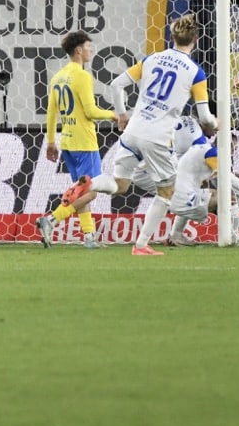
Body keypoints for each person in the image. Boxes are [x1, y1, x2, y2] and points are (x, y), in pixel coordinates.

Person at [63, 14, 217, 255]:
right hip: (158, 137)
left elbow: (116, 84)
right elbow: (205, 117)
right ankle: (142, 245)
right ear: (196, 39)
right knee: (167, 192)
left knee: (120, 184)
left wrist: (122, 115)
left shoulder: (151, 59)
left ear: (171, 37)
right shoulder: (196, 72)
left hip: (133, 129)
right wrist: (215, 123)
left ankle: (90, 183)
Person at [36, 31, 117, 250]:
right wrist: (114, 115)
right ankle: (51, 220)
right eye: (88, 47)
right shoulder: (82, 76)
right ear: (79, 50)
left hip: (68, 143)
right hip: (85, 142)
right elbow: (90, 111)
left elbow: (51, 112)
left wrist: (51, 141)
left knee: (81, 192)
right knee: (90, 191)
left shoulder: (58, 77)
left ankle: (89, 237)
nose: (91, 50)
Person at [156, 120, 239, 247]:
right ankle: (233, 239)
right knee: (226, 197)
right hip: (174, 195)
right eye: (234, 147)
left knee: (215, 201)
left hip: (168, 191)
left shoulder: (196, 145)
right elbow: (228, 178)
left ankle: (176, 235)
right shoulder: (208, 152)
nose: (234, 151)